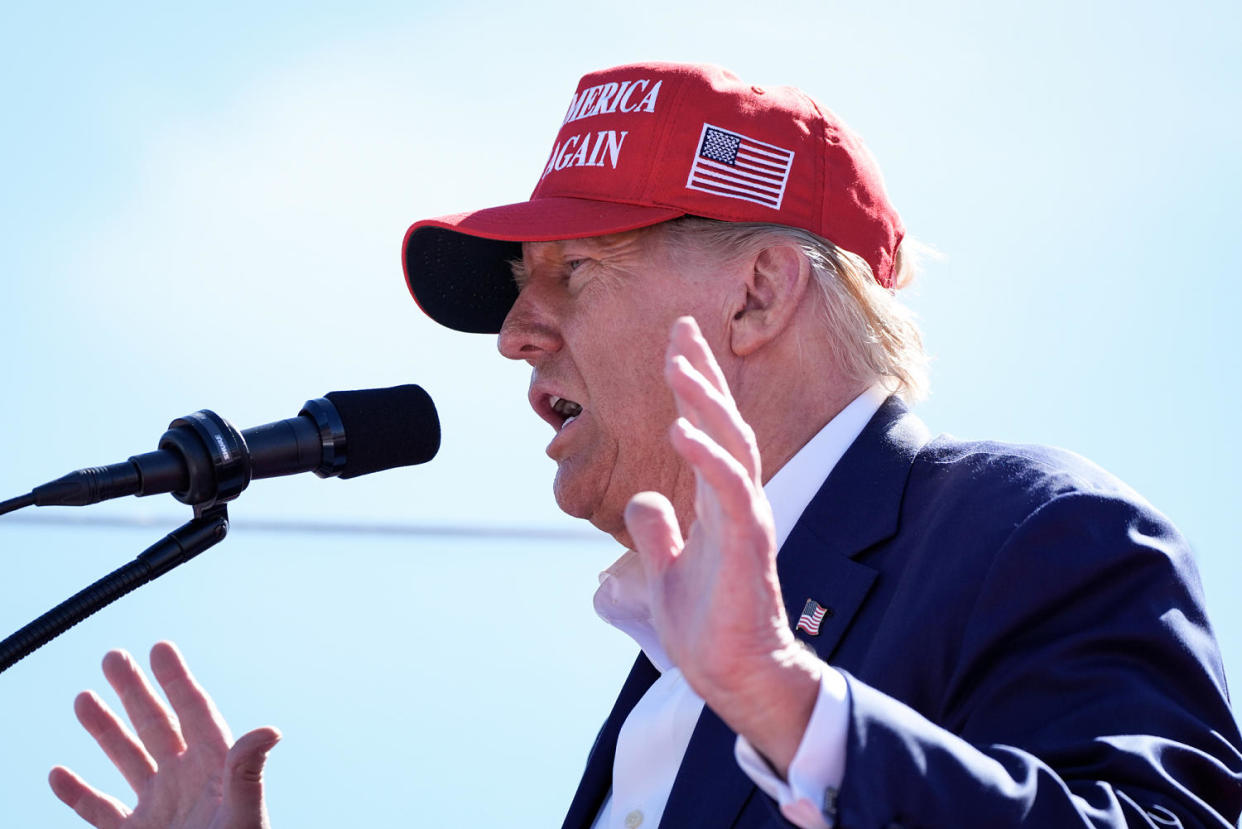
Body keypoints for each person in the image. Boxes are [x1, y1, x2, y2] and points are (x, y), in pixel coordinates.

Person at [50, 61, 1241, 829]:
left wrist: (790, 704)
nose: (518, 332)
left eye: (575, 271)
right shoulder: (666, 682)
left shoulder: (1031, 530)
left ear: (760, 294)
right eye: (523, 288)